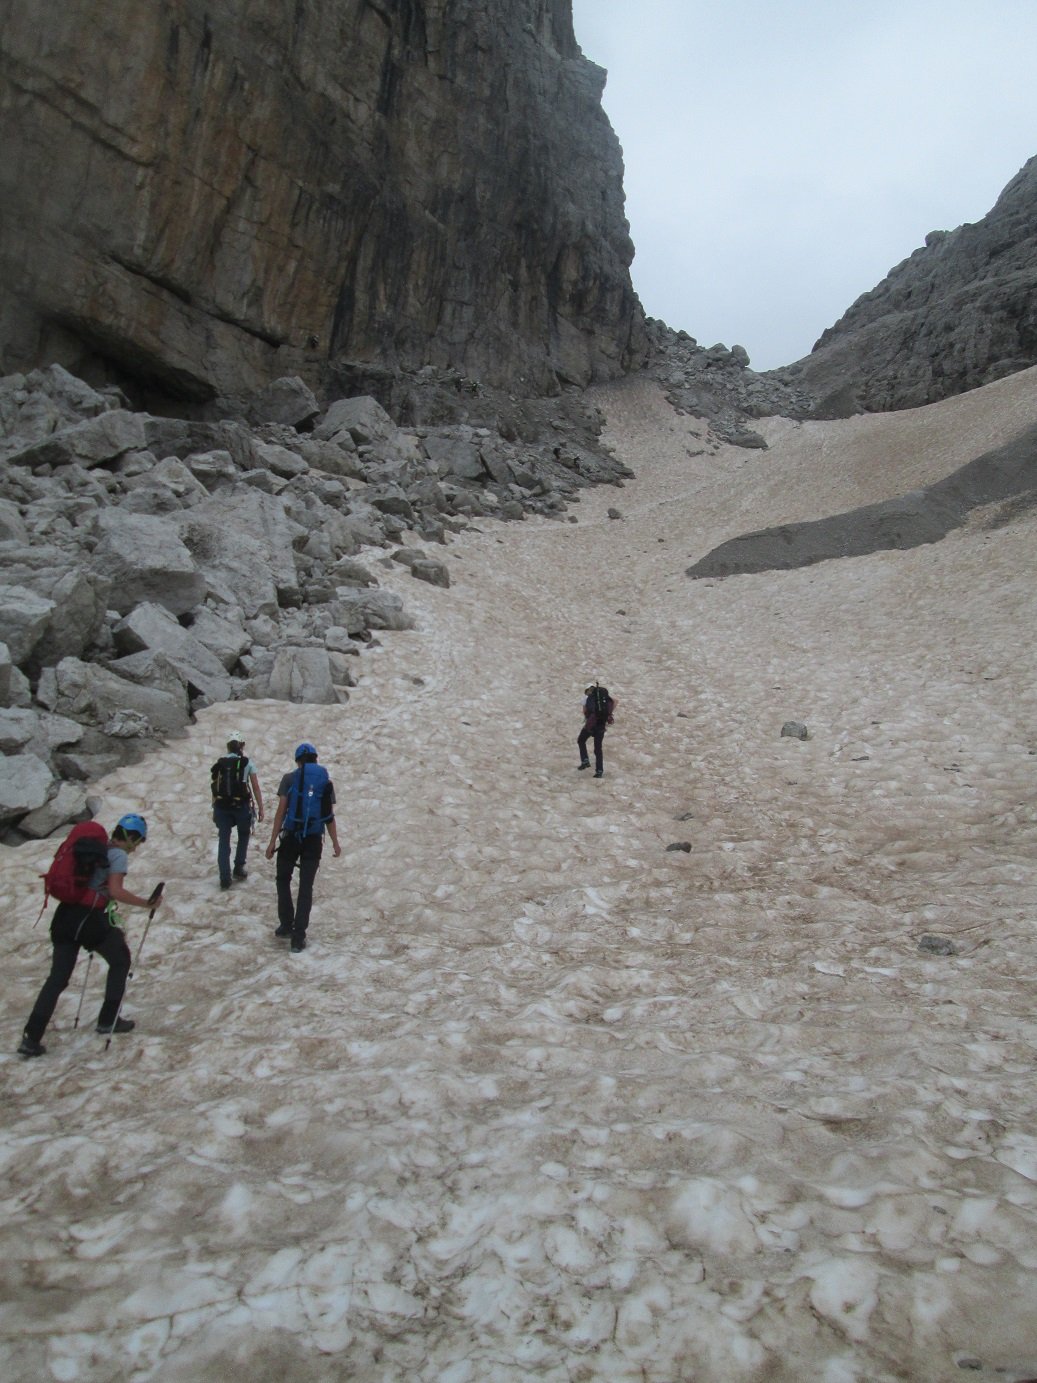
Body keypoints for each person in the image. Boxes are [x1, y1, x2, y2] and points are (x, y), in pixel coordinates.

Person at [18, 813, 163, 1057]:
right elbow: (115, 891)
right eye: (139, 841)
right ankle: (109, 1019)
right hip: (89, 919)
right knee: (120, 959)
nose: (137, 847)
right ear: (132, 837)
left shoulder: (94, 849)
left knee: (57, 979)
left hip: (65, 917)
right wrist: (145, 903)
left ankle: (31, 1037)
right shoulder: (117, 855)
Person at [265, 742, 341, 953]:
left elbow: (281, 812)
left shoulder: (290, 779)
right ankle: (299, 937)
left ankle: (286, 924)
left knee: (283, 878)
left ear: (298, 761)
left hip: (291, 836)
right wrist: (335, 842)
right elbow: (329, 815)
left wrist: (272, 841)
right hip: (314, 838)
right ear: (316, 759)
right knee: (306, 887)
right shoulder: (324, 782)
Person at [211, 731, 264, 890]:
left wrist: (214, 808)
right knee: (243, 834)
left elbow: (214, 787)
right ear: (242, 746)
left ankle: (224, 877)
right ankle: (239, 867)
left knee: (224, 840)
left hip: (222, 807)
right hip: (241, 806)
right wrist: (261, 807)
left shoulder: (220, 763)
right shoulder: (247, 763)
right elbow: (255, 787)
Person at [578, 683, 617, 778]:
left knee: (581, 740)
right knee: (598, 748)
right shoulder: (605, 698)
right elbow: (615, 701)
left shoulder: (587, 699)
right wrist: (608, 713)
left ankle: (585, 761)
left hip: (590, 725)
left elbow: (585, 711)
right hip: (601, 725)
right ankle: (599, 771)